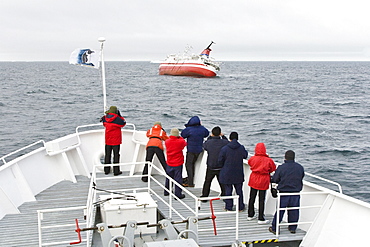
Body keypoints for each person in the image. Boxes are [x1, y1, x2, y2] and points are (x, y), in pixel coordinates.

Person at [269, 150, 305, 235]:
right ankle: (292, 228)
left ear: (285, 157)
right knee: (294, 211)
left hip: (284, 193)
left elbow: (275, 179)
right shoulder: (300, 167)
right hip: (295, 193)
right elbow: (301, 176)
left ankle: (275, 228)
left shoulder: (282, 167)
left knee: (280, 211)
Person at [247, 143, 276, 224]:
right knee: (261, 199)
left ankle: (250, 215)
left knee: (252, 197)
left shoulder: (253, 158)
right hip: (263, 179)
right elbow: (272, 168)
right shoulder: (268, 160)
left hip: (254, 178)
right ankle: (260, 217)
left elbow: (250, 163)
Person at [218, 132, 248, 211]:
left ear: (230, 138)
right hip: (238, 173)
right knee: (239, 190)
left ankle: (229, 207)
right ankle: (240, 207)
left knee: (228, 190)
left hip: (227, 173)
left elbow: (220, 160)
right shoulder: (241, 148)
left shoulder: (225, 149)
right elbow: (245, 155)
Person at [200, 126, 229, 200]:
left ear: (212, 133)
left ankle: (204, 196)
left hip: (211, 165)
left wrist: (210, 137)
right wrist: (223, 136)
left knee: (207, 181)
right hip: (220, 166)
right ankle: (224, 194)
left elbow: (204, 145)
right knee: (222, 181)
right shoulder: (224, 142)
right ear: (220, 134)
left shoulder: (209, 143)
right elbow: (228, 143)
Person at [181, 116, 209, 187]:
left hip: (191, 150)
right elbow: (207, 134)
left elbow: (182, 135)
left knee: (188, 165)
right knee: (192, 164)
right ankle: (189, 179)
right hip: (199, 150)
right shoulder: (202, 129)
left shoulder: (189, 129)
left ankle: (190, 182)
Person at [101, 106, 126, 175]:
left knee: (107, 155)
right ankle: (116, 171)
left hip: (108, 140)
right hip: (116, 141)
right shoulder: (118, 119)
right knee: (116, 155)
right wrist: (120, 116)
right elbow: (123, 123)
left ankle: (106, 170)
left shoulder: (105, 118)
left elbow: (103, 123)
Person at [164, 128, 187, 199]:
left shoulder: (167, 141)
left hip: (169, 162)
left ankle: (166, 191)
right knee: (178, 179)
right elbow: (184, 143)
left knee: (168, 178)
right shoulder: (180, 141)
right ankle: (178, 194)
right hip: (178, 163)